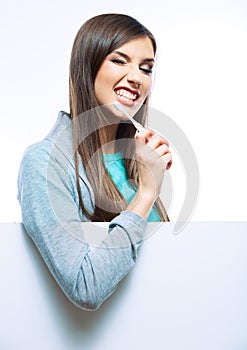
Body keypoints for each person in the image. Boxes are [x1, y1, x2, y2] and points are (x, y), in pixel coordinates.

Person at [17, 13, 172, 311]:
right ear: (87, 64)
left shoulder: (137, 162)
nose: (136, 77)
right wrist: (146, 194)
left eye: (146, 68)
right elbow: (85, 286)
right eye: (119, 60)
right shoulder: (44, 163)